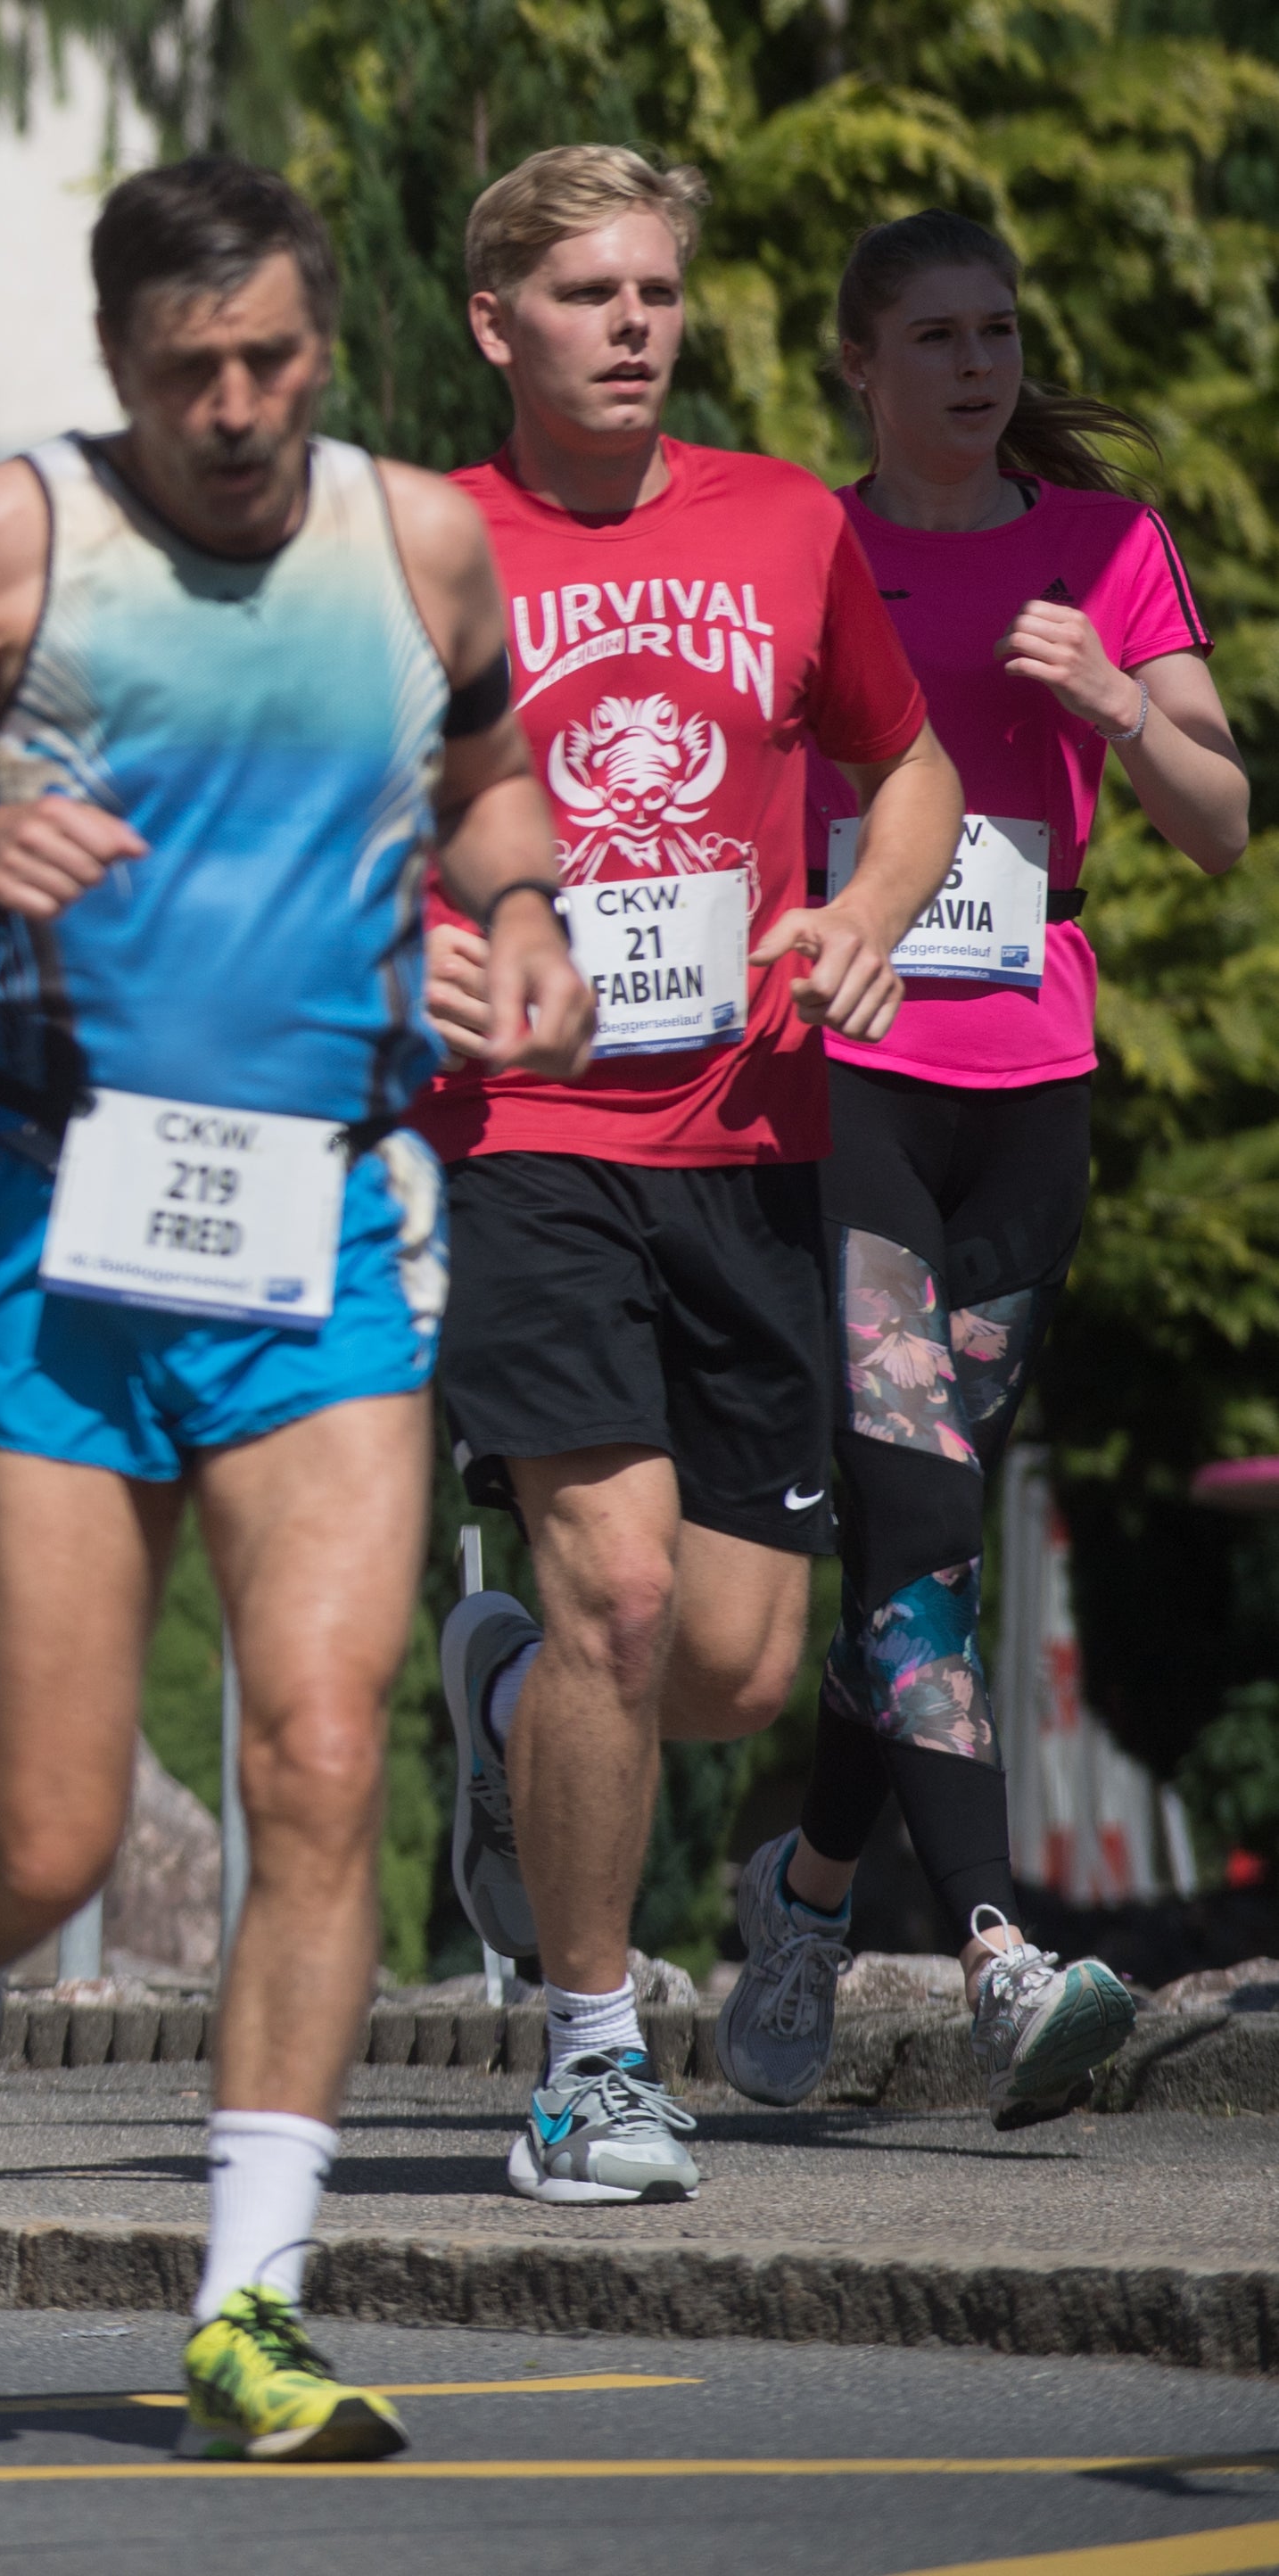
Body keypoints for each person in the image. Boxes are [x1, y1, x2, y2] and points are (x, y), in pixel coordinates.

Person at [0, 157, 592, 2461]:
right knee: (44, 1836)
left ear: (323, 348)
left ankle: (250, 2304)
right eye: (184, 372)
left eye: (272, 364)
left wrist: (515, 930)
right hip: (62, 1219)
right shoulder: (20, 544)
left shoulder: (417, 541)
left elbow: (489, 777)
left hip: (321, 1220)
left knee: (320, 1753)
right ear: (115, 364)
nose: (233, 411)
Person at [419, 146, 965, 2211]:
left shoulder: (785, 520)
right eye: (588, 293)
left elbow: (905, 766)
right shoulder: (422, 548)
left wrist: (865, 910)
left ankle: (505, 1702)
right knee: (625, 1601)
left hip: (755, 1139)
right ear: (499, 325)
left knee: (729, 1665)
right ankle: (587, 2058)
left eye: (657, 289)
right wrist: (428, 974)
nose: (637, 323)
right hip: (534, 1143)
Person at [714, 212, 1250, 2123]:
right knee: (918, 1513)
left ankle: (809, 1885)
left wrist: (1116, 703)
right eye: (933, 336)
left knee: (919, 1537)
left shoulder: (1103, 551)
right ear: (859, 364)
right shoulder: (804, 543)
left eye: (999, 330)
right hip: (842, 1069)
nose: (975, 364)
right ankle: (1001, 1957)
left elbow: (1219, 823)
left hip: (1028, 1077)